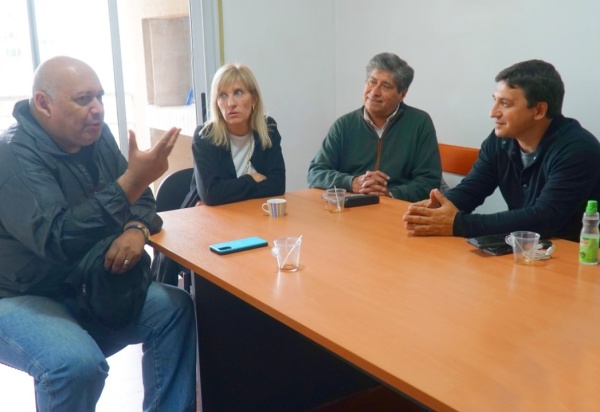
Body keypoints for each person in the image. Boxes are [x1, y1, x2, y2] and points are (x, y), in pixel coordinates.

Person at [0, 56, 196, 411]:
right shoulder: (11, 155)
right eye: (83, 99)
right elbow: (57, 239)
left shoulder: (97, 137)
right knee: (76, 364)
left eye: (100, 97)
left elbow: (141, 200)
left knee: (173, 308)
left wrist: (136, 229)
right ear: (43, 103)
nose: (98, 109)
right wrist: (131, 181)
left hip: (85, 281)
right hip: (21, 294)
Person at [403, 59, 600, 241]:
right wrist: (437, 208)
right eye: (494, 100)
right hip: (527, 249)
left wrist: (458, 224)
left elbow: (544, 218)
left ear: (539, 110)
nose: (493, 112)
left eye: (505, 103)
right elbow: (472, 189)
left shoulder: (578, 149)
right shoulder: (500, 140)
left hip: (576, 255)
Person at [307, 52, 442, 202]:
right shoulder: (344, 125)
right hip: (351, 206)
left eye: (385, 86)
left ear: (402, 94)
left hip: (397, 208)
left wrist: (390, 194)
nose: (374, 91)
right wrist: (352, 182)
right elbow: (315, 173)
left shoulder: (419, 123)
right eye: (372, 82)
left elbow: (429, 181)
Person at [187, 62, 286, 206]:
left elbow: (278, 185)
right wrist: (251, 179)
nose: (231, 103)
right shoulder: (205, 137)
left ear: (254, 98)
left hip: (253, 212)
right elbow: (211, 194)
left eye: (238, 93)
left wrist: (227, 191)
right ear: (216, 103)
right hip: (207, 215)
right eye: (223, 95)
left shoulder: (268, 129)